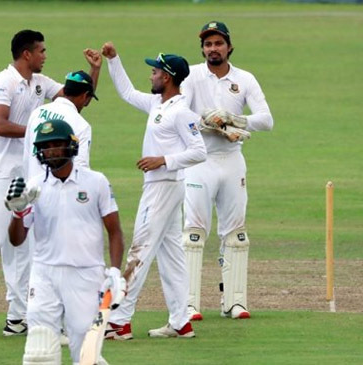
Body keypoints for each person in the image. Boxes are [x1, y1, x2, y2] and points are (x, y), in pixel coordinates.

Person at [0, 29, 101, 340]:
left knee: (22, 248)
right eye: (41, 51)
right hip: (2, 173)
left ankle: (16, 318)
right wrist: (40, 131)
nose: (45, 55)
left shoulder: (40, 83)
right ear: (26, 54)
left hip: (29, 174)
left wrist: (95, 69)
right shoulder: (5, 82)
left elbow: (74, 98)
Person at [100, 42, 207, 340]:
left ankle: (120, 321)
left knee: (140, 250)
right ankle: (181, 321)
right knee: (171, 253)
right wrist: (113, 60)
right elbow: (127, 93)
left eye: (156, 70)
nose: (151, 74)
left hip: (164, 186)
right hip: (163, 187)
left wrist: (164, 160)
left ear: (168, 77)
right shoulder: (158, 105)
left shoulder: (181, 112)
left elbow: (199, 151)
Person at [7, 119, 125, 364]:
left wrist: (114, 270)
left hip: (86, 274)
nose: (50, 151)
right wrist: (17, 212)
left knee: (85, 352)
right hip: (45, 273)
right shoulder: (34, 187)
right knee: (39, 348)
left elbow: (114, 231)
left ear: (70, 146)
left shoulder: (96, 182)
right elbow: (17, 240)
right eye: (45, 146)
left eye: (55, 144)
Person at [181, 21, 273, 321]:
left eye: (218, 43)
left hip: (232, 162)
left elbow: (266, 120)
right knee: (194, 234)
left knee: (236, 235)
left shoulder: (244, 79)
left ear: (229, 46)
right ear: (203, 49)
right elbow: (177, 113)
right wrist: (210, 122)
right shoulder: (192, 76)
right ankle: (190, 304)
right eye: (208, 44)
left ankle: (234, 302)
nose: (213, 49)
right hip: (199, 162)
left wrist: (233, 120)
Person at [23, 69, 99, 181]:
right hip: (58, 190)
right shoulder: (81, 125)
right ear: (85, 96)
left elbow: (26, 156)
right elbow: (80, 167)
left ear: (64, 90)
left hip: (32, 186)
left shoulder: (37, 112)